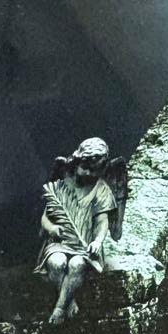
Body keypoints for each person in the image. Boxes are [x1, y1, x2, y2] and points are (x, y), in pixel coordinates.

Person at [34, 137, 119, 324]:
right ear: (76, 162)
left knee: (77, 265)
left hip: (85, 244)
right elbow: (45, 217)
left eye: (94, 170)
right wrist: (52, 228)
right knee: (57, 263)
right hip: (60, 242)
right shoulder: (61, 185)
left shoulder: (101, 189)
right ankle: (69, 300)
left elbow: (102, 222)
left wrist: (97, 241)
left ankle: (59, 309)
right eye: (85, 168)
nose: (89, 173)